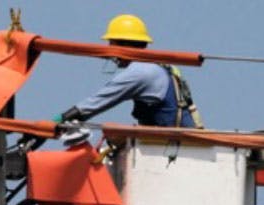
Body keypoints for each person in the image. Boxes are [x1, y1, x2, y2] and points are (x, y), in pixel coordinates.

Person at [57, 14, 204, 128]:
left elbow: (92, 105)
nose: (110, 52)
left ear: (124, 45)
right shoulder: (159, 66)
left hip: (169, 146)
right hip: (178, 140)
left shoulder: (139, 73)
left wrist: (55, 122)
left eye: (112, 45)